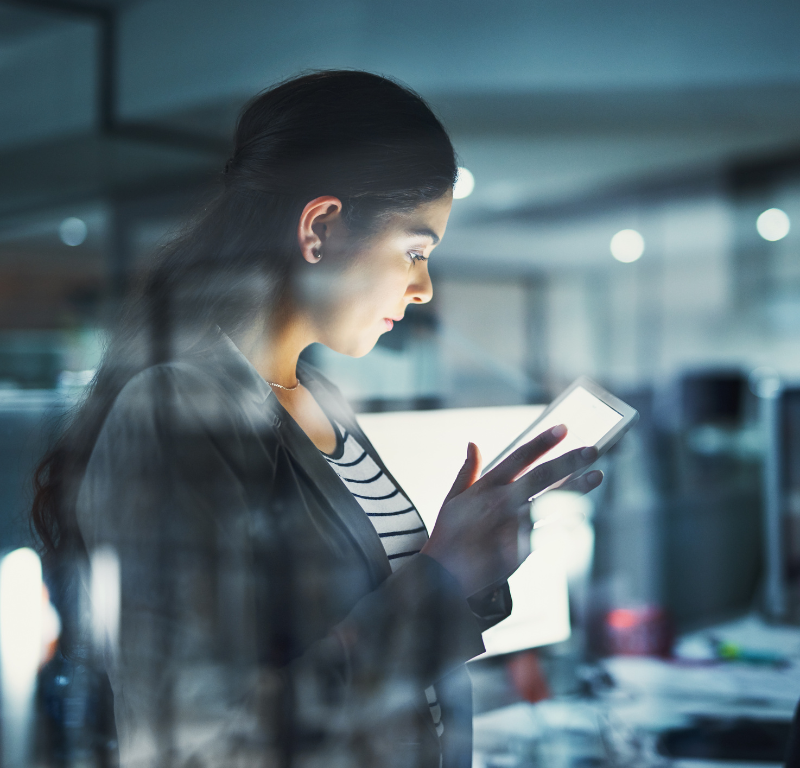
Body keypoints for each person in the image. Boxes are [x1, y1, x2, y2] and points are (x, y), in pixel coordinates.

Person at [31, 71, 602, 768]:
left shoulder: (316, 397)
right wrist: (440, 579)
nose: (423, 288)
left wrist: (471, 558)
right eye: (415, 251)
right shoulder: (175, 411)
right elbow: (197, 744)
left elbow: (377, 635)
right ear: (321, 226)